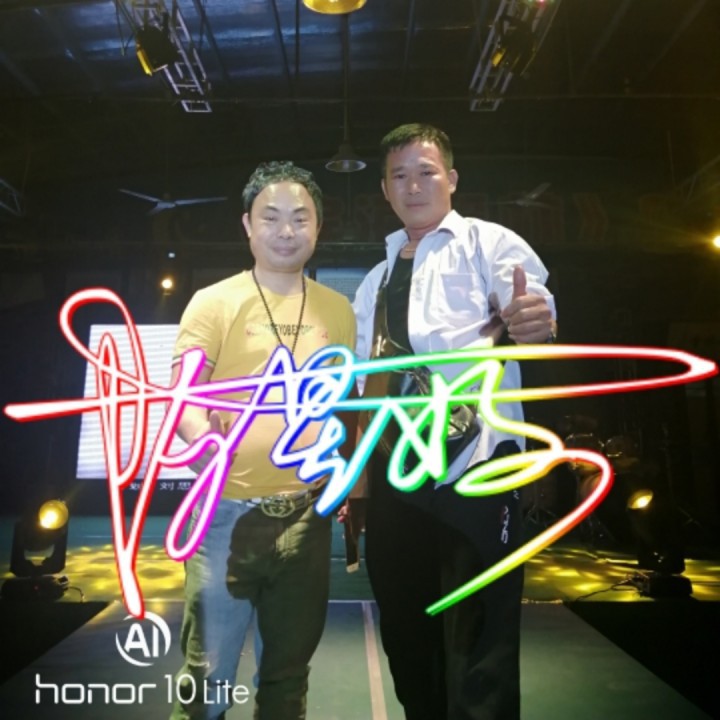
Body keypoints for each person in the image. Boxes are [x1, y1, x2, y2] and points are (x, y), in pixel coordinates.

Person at [351, 123, 557, 720]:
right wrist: (360, 480)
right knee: (405, 629)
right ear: (385, 190)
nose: (413, 186)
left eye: (427, 172)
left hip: (477, 465)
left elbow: (532, 304)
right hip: (396, 471)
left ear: (452, 179)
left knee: (480, 640)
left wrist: (533, 318)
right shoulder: (373, 281)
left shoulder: (490, 244)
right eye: (399, 176)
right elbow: (368, 384)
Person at [169, 161, 357, 720]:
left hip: (306, 519)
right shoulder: (214, 301)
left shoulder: (337, 310)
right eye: (270, 217)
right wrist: (204, 443)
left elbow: (341, 405)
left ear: (318, 227)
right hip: (225, 515)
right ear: (247, 225)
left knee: (287, 680)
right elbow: (184, 397)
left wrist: (345, 476)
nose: (286, 230)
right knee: (207, 679)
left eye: (301, 217)